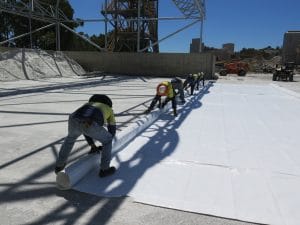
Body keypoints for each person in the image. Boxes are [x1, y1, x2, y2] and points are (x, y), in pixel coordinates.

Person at [55, 94, 117, 177]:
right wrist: (106, 143)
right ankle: (105, 169)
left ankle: (59, 166)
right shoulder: (109, 109)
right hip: (90, 121)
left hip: (73, 118)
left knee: (70, 139)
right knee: (108, 140)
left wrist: (92, 145)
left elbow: (84, 129)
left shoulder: (87, 104)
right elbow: (112, 129)